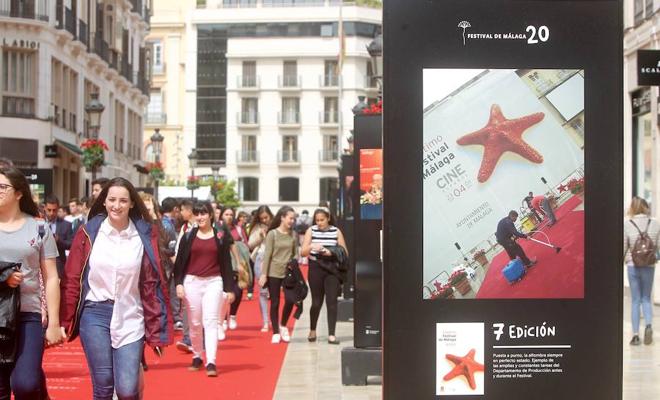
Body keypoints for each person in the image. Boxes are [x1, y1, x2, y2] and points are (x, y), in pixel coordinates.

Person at [59, 177, 173, 400]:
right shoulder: (88, 233)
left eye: (123, 200)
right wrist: (65, 319)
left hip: (131, 313)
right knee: (103, 387)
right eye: (112, 199)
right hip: (94, 314)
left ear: (131, 203)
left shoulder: (145, 235)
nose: (116, 205)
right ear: (103, 202)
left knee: (127, 390)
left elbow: (152, 285)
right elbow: (72, 278)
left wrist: (156, 331)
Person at [0, 166, 64, 399]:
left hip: (28, 314)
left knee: (26, 384)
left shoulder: (37, 227)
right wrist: (3, 278)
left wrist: (54, 322)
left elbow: (51, 277)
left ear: (19, 193)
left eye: (2, 187)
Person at [174, 201, 240, 377]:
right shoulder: (188, 235)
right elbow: (180, 262)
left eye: (203, 213)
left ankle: (211, 361)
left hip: (214, 282)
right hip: (192, 282)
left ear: (210, 215)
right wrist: (178, 283)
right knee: (195, 323)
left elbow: (226, 263)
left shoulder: (219, 236)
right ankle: (197, 355)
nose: (200, 217)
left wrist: (230, 288)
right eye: (197, 214)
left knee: (210, 321)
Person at [301, 208, 348, 344]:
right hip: (316, 267)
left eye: (322, 220)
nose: (320, 223)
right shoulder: (311, 230)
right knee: (316, 302)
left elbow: (345, 252)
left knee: (332, 302)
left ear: (328, 218)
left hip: (331, 268)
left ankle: (331, 334)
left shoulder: (336, 231)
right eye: (317, 220)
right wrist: (311, 247)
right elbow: (303, 252)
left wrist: (331, 252)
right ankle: (312, 329)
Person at [258, 206, 298, 344]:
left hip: (288, 273)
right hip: (273, 272)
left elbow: (295, 254)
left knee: (291, 300)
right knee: (275, 302)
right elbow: (267, 255)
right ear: (282, 217)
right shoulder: (272, 234)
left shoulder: (294, 234)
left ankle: (283, 325)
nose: (292, 221)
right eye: (290, 218)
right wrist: (264, 274)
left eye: (294, 219)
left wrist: (293, 263)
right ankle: (275, 331)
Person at [624, 196, 660, 346]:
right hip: (649, 266)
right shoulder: (655, 223)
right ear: (646, 207)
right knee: (646, 298)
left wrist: (625, 260)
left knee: (635, 300)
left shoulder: (627, 224)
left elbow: (624, 246)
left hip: (633, 265)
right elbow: (658, 246)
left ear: (632, 208)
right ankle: (649, 326)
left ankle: (636, 336)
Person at [218, 207, 250, 331]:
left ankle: (232, 315)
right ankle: (224, 318)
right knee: (224, 292)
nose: (229, 217)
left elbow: (247, 244)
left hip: (238, 262)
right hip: (224, 263)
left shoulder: (238, 229)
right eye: (226, 214)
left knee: (238, 290)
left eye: (231, 214)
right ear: (221, 215)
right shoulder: (218, 228)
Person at [247, 205, 274, 332]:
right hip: (261, 258)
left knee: (274, 291)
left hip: (275, 260)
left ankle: (274, 319)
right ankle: (265, 321)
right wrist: (261, 236)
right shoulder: (257, 228)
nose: (264, 220)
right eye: (262, 218)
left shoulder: (276, 225)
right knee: (263, 291)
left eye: (266, 217)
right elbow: (250, 244)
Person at [174, 199, 195, 353]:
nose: (181, 213)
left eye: (182, 210)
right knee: (187, 305)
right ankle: (188, 338)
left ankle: (198, 338)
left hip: (201, 272)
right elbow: (178, 248)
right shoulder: (185, 227)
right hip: (186, 271)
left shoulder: (205, 228)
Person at [160, 197, 183, 330]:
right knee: (171, 292)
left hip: (163, 263)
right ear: (175, 209)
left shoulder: (161, 223)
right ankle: (174, 318)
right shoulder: (168, 225)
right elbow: (171, 249)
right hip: (168, 265)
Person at [44, 195, 74, 279]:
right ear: (45, 208)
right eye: (49, 210)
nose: (51, 213)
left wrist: (58, 240)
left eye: (54, 210)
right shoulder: (38, 224)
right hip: (41, 265)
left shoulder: (66, 225)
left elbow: (71, 245)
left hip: (58, 266)